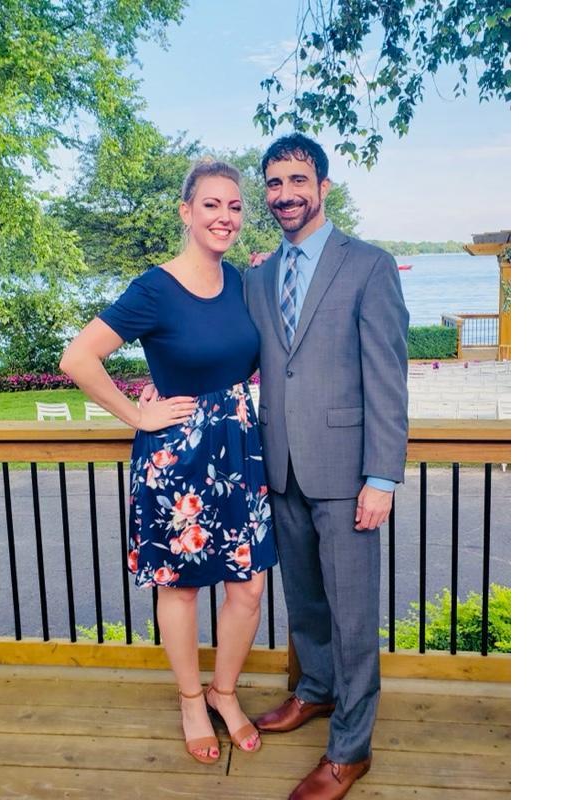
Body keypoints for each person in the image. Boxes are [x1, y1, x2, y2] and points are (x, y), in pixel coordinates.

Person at [59, 159, 277, 765]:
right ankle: (190, 700)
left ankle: (224, 692)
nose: (225, 217)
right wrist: (137, 414)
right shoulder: (154, 288)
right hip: (176, 454)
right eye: (211, 205)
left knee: (249, 586)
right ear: (186, 212)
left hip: (238, 447)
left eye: (234, 206)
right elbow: (78, 358)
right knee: (179, 589)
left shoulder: (240, 283)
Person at [245, 134, 409, 800]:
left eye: (297, 181)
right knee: (306, 602)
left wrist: (381, 477)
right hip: (280, 466)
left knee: (352, 617)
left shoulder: (368, 265)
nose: (284, 194)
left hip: (347, 474)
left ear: (323, 187)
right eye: (273, 182)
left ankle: (350, 750)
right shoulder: (257, 277)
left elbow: (388, 377)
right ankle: (314, 690)